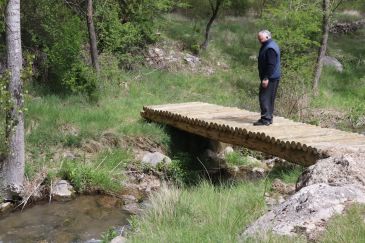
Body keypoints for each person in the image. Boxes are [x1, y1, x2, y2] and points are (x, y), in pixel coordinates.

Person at [254, 30, 281, 126]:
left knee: (264, 97)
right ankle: (269, 118)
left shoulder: (270, 48)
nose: (259, 40)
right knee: (269, 98)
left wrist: (266, 78)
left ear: (267, 37)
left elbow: (271, 65)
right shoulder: (270, 44)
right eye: (258, 38)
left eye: (260, 38)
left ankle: (265, 119)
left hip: (270, 77)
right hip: (272, 77)